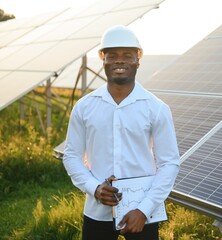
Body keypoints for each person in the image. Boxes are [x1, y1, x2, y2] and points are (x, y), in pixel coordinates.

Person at [63, 25, 180, 240]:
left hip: (142, 213)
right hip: (97, 213)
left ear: (138, 59)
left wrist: (144, 210)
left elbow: (169, 163)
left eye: (127, 55)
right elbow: (71, 156)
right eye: (112, 55)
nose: (119, 61)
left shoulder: (156, 108)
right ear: (103, 58)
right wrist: (95, 188)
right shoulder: (84, 106)